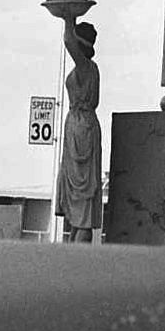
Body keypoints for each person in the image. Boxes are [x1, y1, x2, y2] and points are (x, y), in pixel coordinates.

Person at [54, 18, 103, 243]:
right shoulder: (85, 68)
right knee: (77, 204)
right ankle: (72, 250)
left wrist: (68, 18)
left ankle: (77, 254)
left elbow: (68, 41)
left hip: (82, 128)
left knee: (82, 197)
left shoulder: (85, 67)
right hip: (79, 126)